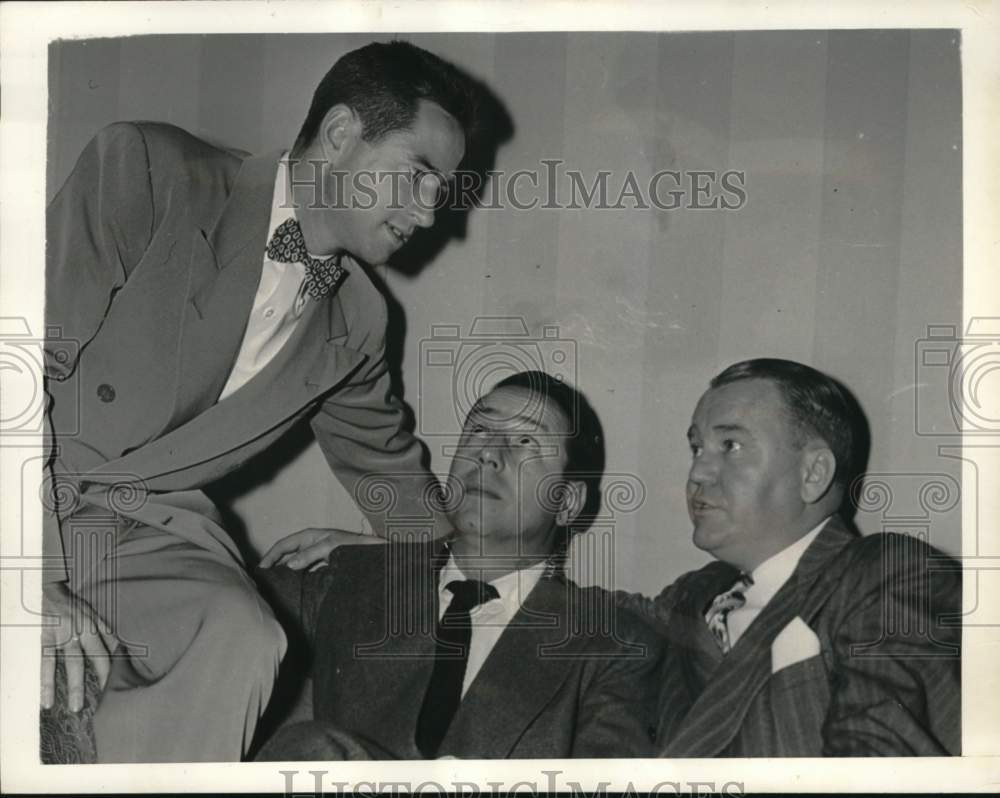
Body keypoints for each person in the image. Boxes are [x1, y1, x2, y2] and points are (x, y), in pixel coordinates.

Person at [41, 40, 480, 762]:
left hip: (137, 526)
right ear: (341, 135)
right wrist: (28, 571)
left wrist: (396, 548)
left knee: (246, 631)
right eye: (418, 176)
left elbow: (395, 480)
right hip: (23, 484)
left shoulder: (360, 322)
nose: (430, 215)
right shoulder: (150, 172)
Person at [255, 371, 665, 759]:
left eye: (525, 442)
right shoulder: (347, 580)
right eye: (479, 430)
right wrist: (387, 558)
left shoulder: (608, 644)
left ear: (567, 502)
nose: (487, 452)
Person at [618, 358, 961, 756]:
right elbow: (577, 617)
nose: (698, 471)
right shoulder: (691, 596)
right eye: (696, 447)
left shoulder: (889, 573)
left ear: (813, 473)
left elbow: (878, 762)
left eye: (730, 445)